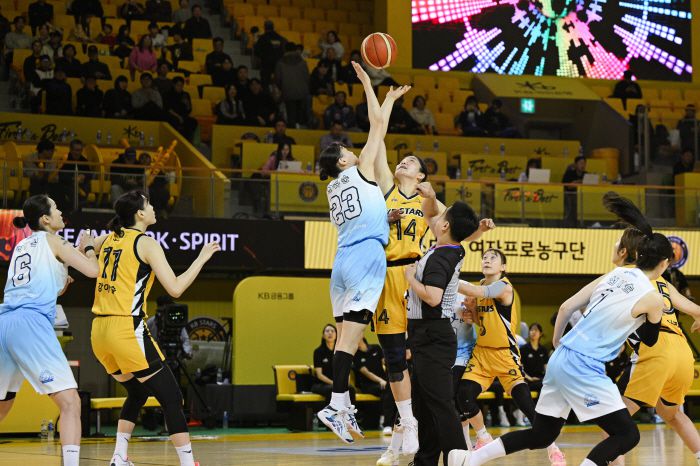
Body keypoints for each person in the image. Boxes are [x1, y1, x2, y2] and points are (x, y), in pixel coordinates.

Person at [447, 192, 671, 466]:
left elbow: (565, 308)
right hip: (584, 365)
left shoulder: (612, 275)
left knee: (542, 434)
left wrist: (557, 344)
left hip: (561, 357)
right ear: (664, 264)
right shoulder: (654, 298)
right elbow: (649, 340)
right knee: (627, 435)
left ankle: (469, 459)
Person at [90, 190, 220, 466]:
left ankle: (118, 457)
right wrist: (201, 258)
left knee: (138, 392)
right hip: (126, 328)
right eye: (148, 204)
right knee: (172, 397)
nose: (153, 208)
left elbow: (85, 244)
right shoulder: (146, 243)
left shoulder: (109, 238)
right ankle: (188, 464)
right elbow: (175, 288)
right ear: (139, 213)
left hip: (99, 331)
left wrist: (89, 249)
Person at [315, 62, 403, 444]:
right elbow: (378, 126)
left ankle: (340, 404)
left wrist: (385, 216)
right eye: (348, 151)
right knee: (350, 342)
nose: (354, 152)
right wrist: (369, 85)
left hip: (341, 262)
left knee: (345, 341)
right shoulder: (358, 169)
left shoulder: (332, 188)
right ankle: (335, 405)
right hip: (366, 258)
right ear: (342, 161)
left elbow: (365, 211)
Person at [0, 196, 98, 466]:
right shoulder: (55, 241)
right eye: (56, 208)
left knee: (3, 403)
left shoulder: (22, 245)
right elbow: (93, 270)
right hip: (30, 324)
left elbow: (51, 287)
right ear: (45, 219)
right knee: (70, 403)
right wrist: (89, 247)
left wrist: (64, 273)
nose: (61, 211)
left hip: (4, 323)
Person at [456, 250, 566, 465]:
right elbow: (483, 321)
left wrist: (449, 278)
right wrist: (473, 313)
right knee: (463, 396)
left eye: (493, 258)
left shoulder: (503, 287)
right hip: (482, 354)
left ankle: (553, 447)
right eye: (484, 258)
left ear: (503, 267)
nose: (487, 260)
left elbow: (479, 291)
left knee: (526, 405)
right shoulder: (481, 287)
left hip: (505, 354)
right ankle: (483, 438)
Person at [404, 187, 488, 466]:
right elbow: (431, 213)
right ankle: (425, 461)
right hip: (428, 334)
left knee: (440, 403)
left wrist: (410, 278)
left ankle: (459, 459)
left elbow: (432, 297)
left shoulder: (442, 257)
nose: (438, 215)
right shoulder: (450, 247)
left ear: (446, 226)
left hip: (433, 335)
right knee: (425, 403)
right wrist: (429, 195)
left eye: (445, 214)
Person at [609, 223, 700, 465]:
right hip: (682, 354)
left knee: (613, 420)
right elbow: (696, 310)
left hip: (655, 351)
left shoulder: (623, 279)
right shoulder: (663, 283)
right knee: (671, 414)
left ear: (628, 253)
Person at [354, 338, 396, 431]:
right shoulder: (355, 354)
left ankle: (391, 420)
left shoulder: (376, 348)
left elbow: (385, 362)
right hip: (368, 385)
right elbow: (366, 372)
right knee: (387, 391)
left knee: (391, 391)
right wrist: (380, 381)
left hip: (384, 381)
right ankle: (386, 423)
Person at [311, 324, 356, 404]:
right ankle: (330, 411)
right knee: (331, 390)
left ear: (336, 335)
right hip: (322, 384)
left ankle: (349, 411)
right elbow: (319, 375)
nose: (330, 333)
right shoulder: (318, 352)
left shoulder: (341, 352)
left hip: (337, 384)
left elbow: (346, 371)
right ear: (323, 335)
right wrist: (334, 384)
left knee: (350, 389)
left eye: (332, 331)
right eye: (327, 331)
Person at [275, 42, 309, 128]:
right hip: (302, 92)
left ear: (285, 50)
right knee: (300, 117)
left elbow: (278, 79)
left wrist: (282, 88)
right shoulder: (302, 62)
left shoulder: (280, 63)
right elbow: (307, 77)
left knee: (291, 117)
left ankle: (293, 130)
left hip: (288, 92)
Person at [57, 139, 91, 211]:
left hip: (81, 186)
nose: (78, 153)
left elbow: (89, 174)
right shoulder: (64, 160)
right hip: (67, 185)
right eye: (76, 150)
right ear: (71, 150)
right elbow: (61, 175)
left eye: (80, 150)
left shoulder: (84, 161)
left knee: (87, 184)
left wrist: (83, 176)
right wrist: (73, 178)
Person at [253, 20, 285, 86]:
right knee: (278, 84)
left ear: (265, 27)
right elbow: (285, 49)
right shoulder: (280, 38)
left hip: (266, 65)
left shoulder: (262, 38)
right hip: (278, 65)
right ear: (273, 27)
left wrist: (262, 56)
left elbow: (256, 51)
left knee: (265, 84)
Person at [562, 155, 586, 226]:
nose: (583, 165)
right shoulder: (569, 173)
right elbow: (566, 186)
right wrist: (576, 183)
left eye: (584, 163)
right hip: (570, 195)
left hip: (583, 197)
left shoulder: (586, 174)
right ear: (575, 164)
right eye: (581, 163)